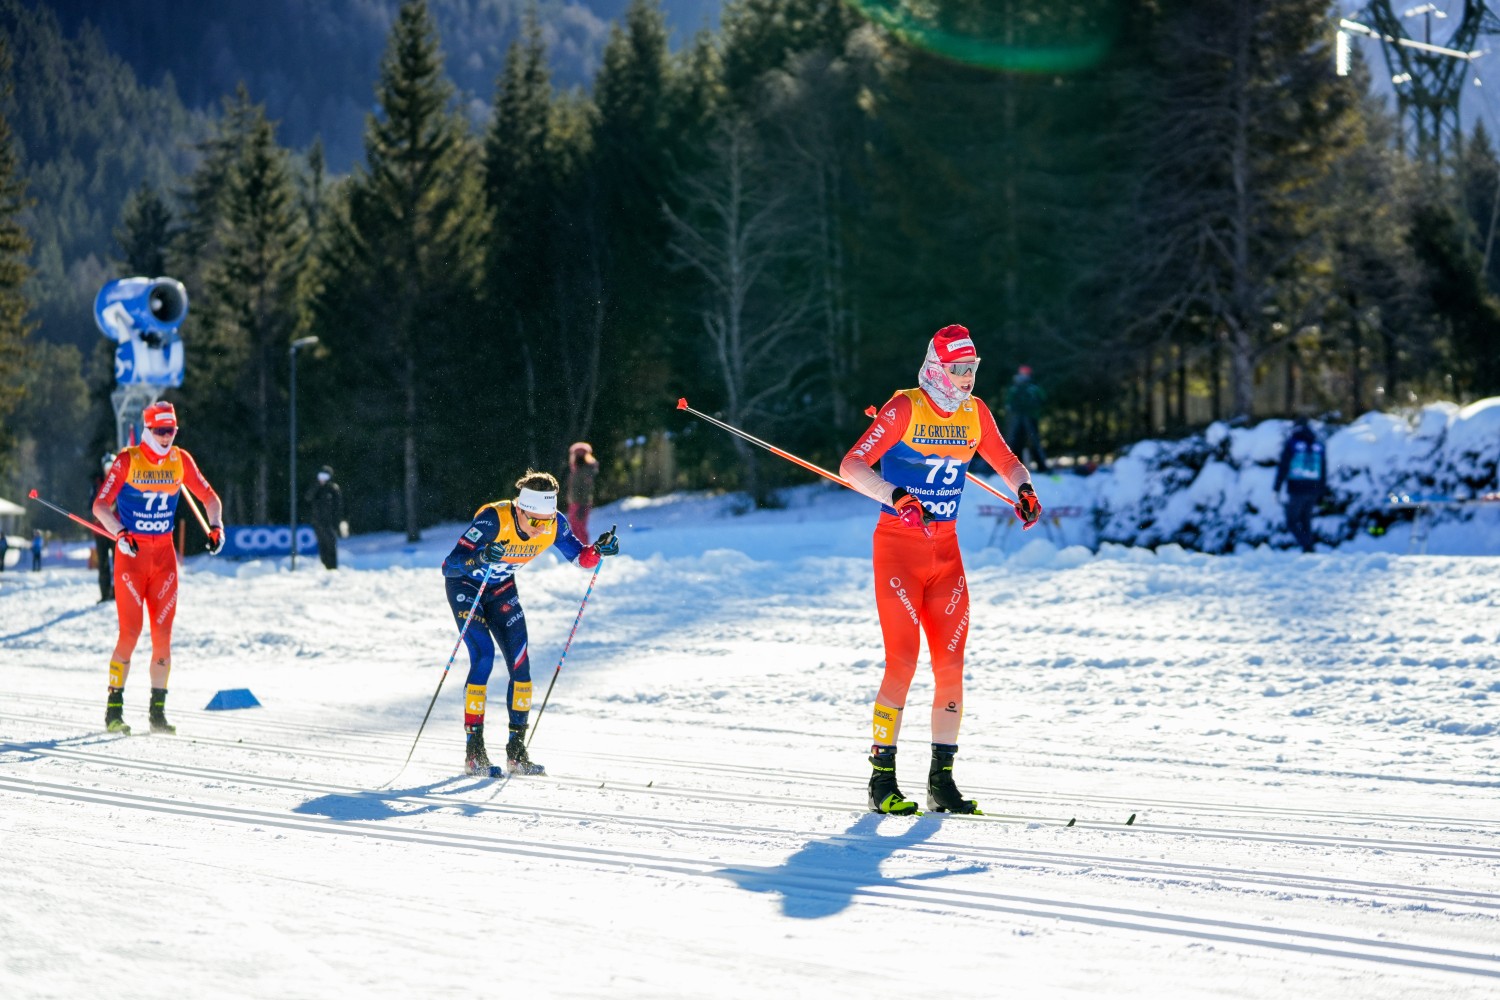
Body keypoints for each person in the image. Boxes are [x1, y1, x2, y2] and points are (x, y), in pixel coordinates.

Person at [840, 324, 1042, 816]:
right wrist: (896, 496)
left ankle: (941, 782)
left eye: (972, 368)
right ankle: (881, 781)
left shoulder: (975, 413)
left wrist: (1024, 489)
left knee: (951, 668)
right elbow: (852, 466)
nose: (967, 378)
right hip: (899, 551)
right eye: (958, 369)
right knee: (902, 664)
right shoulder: (904, 408)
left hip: (946, 555)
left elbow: (1007, 461)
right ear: (936, 368)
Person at [441, 470, 619, 776]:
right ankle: (474, 752)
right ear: (520, 510)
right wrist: (480, 558)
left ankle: (516, 752)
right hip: (467, 587)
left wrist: (599, 550)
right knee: (483, 656)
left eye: (547, 522)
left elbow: (581, 558)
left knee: (521, 667)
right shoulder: (494, 520)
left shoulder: (554, 524)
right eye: (536, 522)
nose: (541, 529)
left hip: (500, 590)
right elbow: (450, 566)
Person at [92, 401, 224, 735]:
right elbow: (100, 506)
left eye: (172, 431)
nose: (167, 437)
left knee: (163, 637)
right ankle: (113, 711)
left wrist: (216, 527)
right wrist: (120, 533)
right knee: (130, 633)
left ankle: (158, 713)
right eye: (161, 431)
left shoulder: (181, 460)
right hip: (132, 555)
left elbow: (210, 498)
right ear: (148, 430)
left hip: (164, 557)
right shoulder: (128, 460)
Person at [1273, 415, 1327, 554]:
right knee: (1305, 520)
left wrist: (1277, 487)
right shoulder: (1317, 444)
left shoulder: (1292, 443)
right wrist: (1321, 491)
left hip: (1297, 488)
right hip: (1314, 489)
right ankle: (1309, 549)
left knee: (1291, 521)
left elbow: (1283, 467)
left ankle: (1307, 546)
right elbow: (1323, 469)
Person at [1003, 365, 1049, 473]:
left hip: (1030, 418)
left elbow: (1042, 399)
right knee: (1015, 441)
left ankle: (1041, 467)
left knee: (1034, 441)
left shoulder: (1033, 388)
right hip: (1017, 419)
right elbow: (1008, 403)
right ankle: (1015, 467)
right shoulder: (1015, 388)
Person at [304, 465, 347, 570]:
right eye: (321, 476)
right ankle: (325, 566)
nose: (322, 479)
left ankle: (333, 567)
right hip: (318, 522)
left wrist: (337, 521)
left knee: (331, 544)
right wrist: (317, 486)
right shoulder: (315, 488)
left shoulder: (333, 488)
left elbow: (339, 506)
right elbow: (308, 498)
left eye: (325, 476)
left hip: (330, 522)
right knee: (322, 544)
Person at [91, 453, 116, 602]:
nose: (109, 469)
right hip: (100, 530)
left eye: (111, 466)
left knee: (119, 563)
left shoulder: (120, 482)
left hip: (115, 530)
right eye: (106, 466)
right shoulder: (97, 483)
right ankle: (105, 593)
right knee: (103, 563)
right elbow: (91, 504)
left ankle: (117, 593)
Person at [566, 442, 599, 542]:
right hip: (574, 503)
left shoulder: (586, 470)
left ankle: (585, 549)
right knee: (575, 528)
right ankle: (579, 549)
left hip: (581, 504)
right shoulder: (576, 469)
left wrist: (583, 506)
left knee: (580, 529)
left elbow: (587, 489)